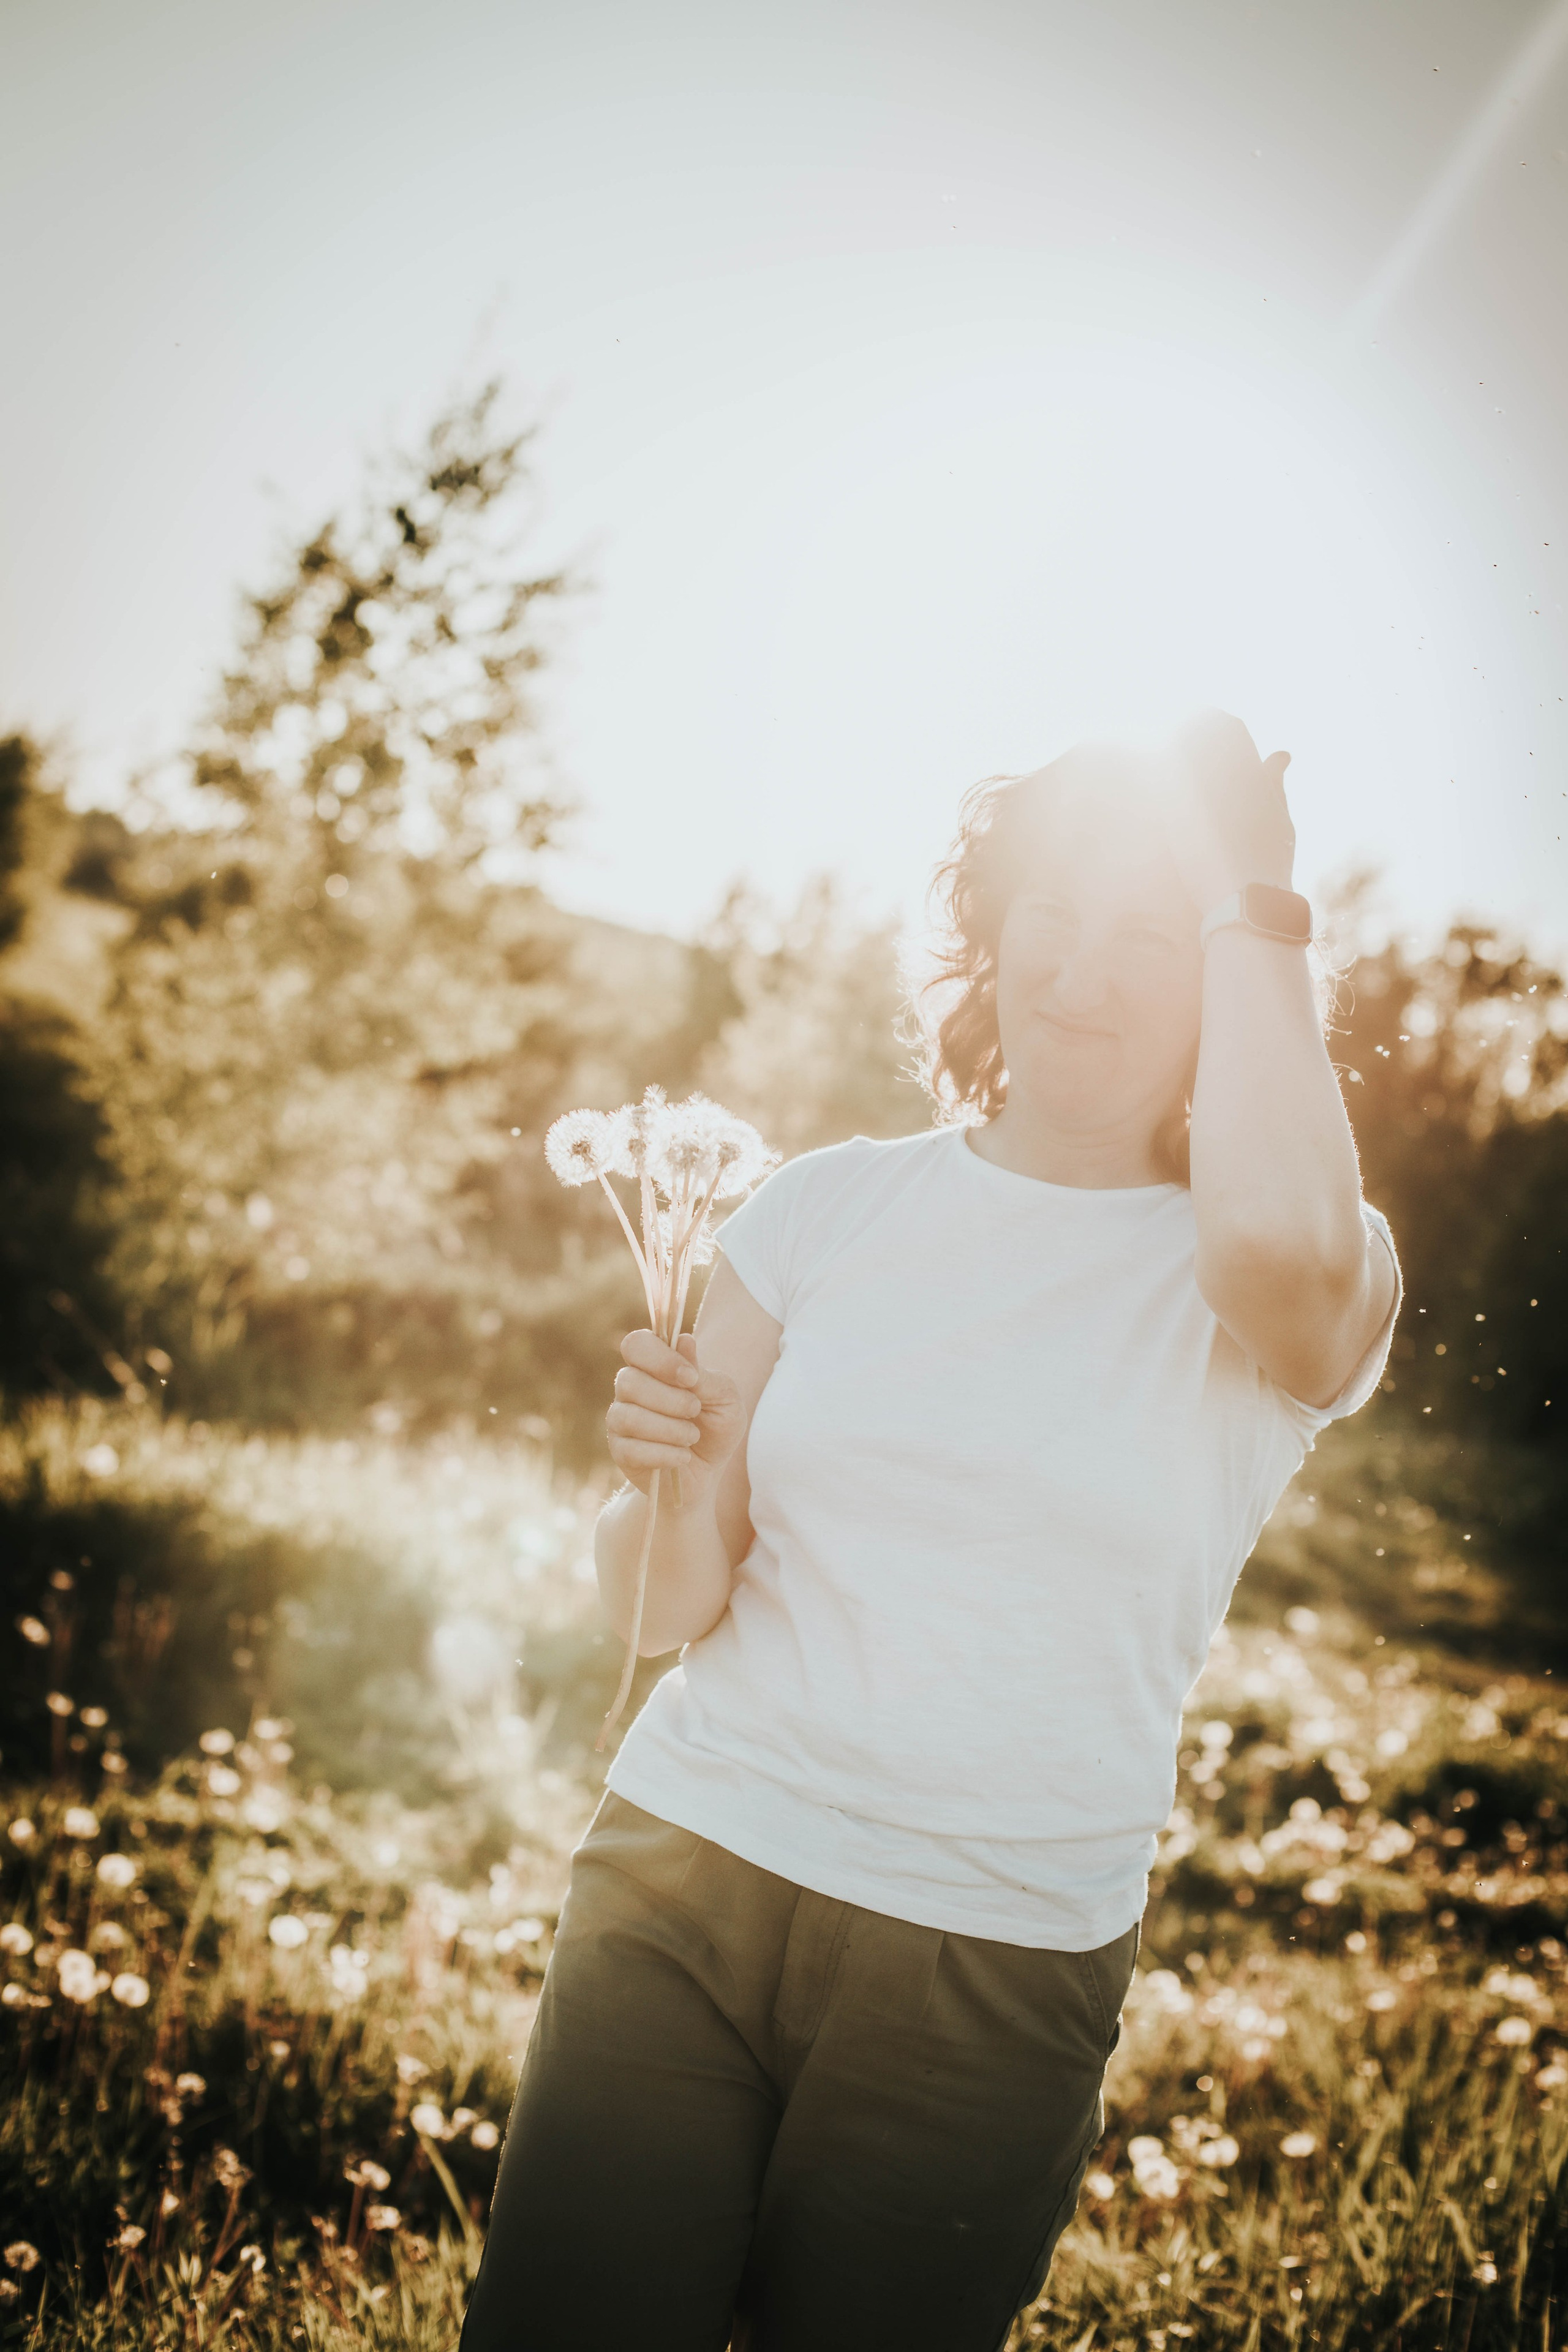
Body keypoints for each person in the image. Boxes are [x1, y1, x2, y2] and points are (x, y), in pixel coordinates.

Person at [458, 712, 1401, 2352]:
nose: (1081, 975)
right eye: (1053, 915)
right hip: (686, 1874)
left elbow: (1278, 1240)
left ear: (1223, 971)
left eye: (1147, 936)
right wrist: (662, 1479)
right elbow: (662, 1610)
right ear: (990, 932)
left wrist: (1256, 895)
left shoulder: (1286, 1272)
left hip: (993, 1960)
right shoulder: (821, 1209)